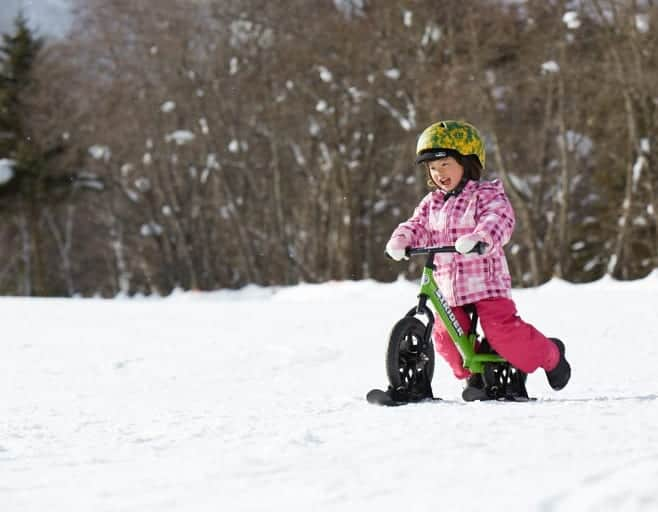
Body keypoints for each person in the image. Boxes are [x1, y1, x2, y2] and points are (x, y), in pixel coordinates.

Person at [385, 120, 571, 399]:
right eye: (433, 168)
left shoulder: (486, 194)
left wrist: (481, 237)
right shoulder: (432, 202)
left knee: (504, 335)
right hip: (449, 287)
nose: (438, 173)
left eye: (445, 164)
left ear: (467, 160)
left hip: (486, 283)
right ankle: (475, 376)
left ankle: (551, 355)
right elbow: (417, 225)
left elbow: (499, 219)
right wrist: (402, 239)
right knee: (445, 336)